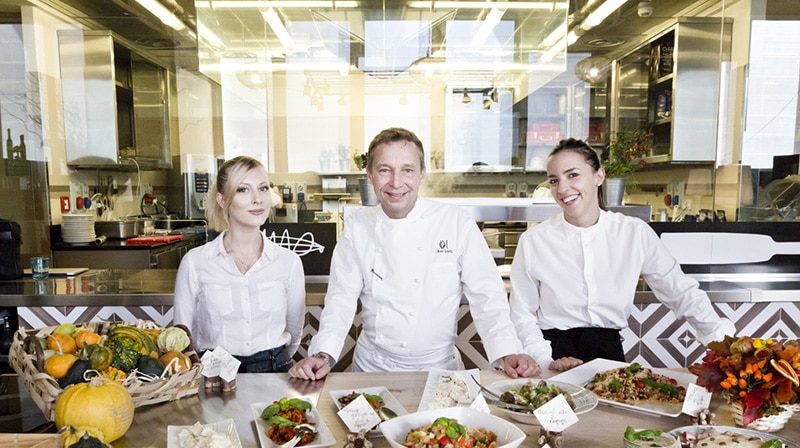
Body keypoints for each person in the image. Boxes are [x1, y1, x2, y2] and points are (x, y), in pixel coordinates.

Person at [289, 127, 538, 381]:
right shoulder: (358, 226)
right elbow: (341, 297)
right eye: (385, 170)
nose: (396, 183)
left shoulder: (455, 221)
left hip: (440, 369)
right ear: (370, 176)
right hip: (373, 369)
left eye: (407, 170)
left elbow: (487, 296)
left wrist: (508, 352)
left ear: (421, 174)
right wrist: (323, 354)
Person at [509, 138, 735, 372]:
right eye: (554, 180)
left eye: (573, 175)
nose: (562, 188)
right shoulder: (534, 241)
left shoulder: (634, 233)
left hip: (610, 357)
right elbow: (520, 313)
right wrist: (545, 360)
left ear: (599, 176)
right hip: (554, 355)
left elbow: (680, 291)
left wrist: (725, 345)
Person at [174, 155, 305, 374]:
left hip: (275, 369)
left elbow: (294, 332)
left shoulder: (288, 262)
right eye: (243, 190)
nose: (258, 199)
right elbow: (185, 333)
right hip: (214, 373)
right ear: (222, 200)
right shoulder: (195, 263)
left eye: (263, 189)